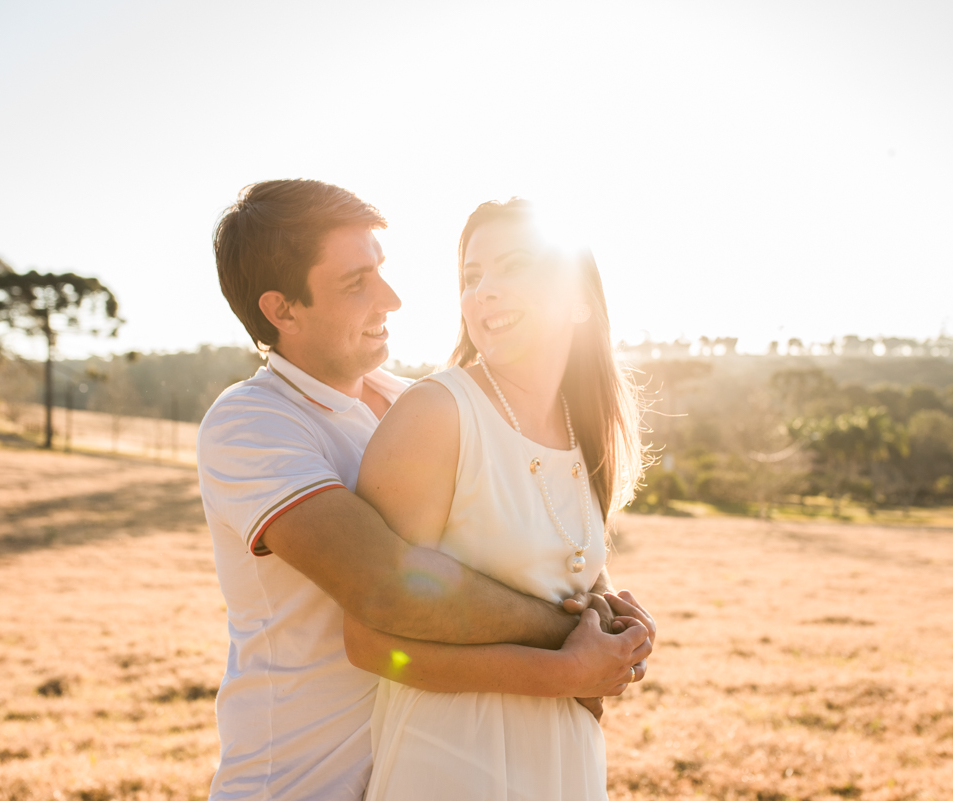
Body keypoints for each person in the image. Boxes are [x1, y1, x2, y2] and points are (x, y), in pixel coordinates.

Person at [197, 180, 652, 800]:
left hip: (431, 757)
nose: (392, 298)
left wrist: (604, 608)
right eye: (356, 283)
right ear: (283, 311)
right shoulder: (252, 424)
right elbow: (387, 587)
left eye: (381, 271)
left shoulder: (410, 403)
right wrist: (572, 645)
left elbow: (508, 543)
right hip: (304, 783)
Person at [344, 198, 654, 801]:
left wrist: (618, 627)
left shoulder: (580, 424)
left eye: (514, 267)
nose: (485, 290)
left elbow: (563, 589)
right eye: (472, 276)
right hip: (452, 761)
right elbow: (371, 643)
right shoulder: (436, 414)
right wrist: (561, 673)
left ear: (579, 300)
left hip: (564, 763)